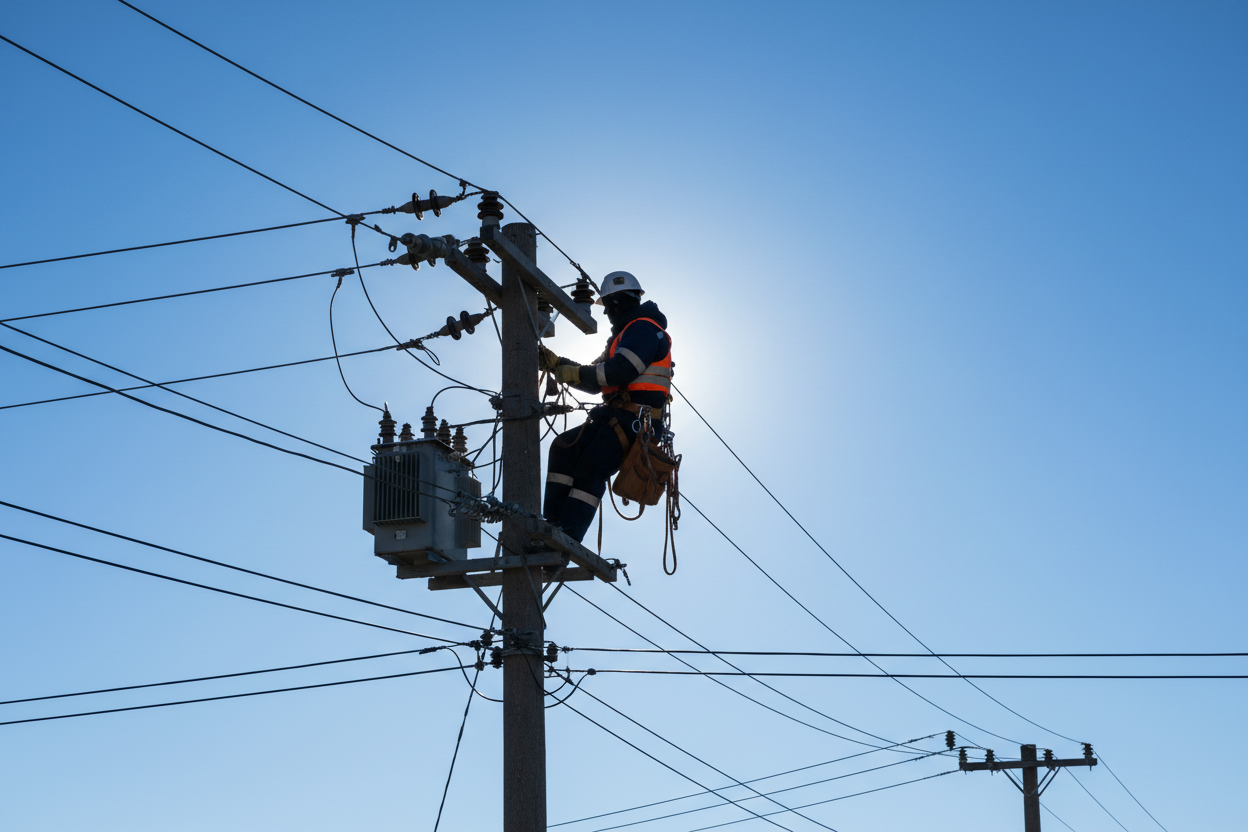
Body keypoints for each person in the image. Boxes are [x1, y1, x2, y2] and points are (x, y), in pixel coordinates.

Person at [538, 271, 672, 542]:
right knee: (564, 448)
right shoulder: (622, 336)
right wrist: (557, 363)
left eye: (608, 306)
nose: (607, 313)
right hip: (615, 416)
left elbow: (622, 370)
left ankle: (568, 535)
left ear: (617, 303)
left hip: (636, 421)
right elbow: (595, 378)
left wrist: (574, 374)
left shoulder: (645, 329)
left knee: (591, 466)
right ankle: (552, 527)